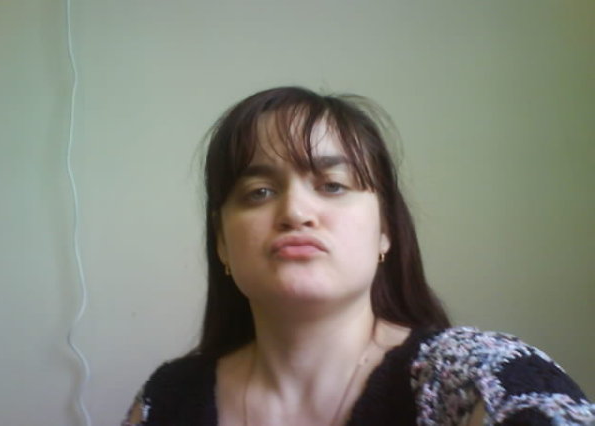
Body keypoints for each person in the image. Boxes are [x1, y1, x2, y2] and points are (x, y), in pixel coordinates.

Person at [122, 87, 594, 425]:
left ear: (385, 230)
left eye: (333, 185)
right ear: (222, 242)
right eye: (259, 191)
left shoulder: (469, 374)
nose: (296, 211)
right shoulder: (165, 400)